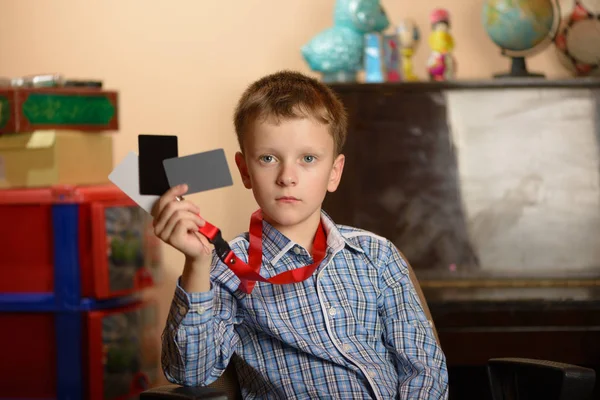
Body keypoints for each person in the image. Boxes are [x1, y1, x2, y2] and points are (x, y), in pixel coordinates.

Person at [154, 70, 448, 399]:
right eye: (268, 158)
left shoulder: (377, 256)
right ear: (245, 171)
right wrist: (196, 264)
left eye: (308, 159)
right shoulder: (223, 269)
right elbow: (189, 373)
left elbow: (424, 369)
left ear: (334, 172)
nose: (287, 177)